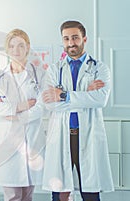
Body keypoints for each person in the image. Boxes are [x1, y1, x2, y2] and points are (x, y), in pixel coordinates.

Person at [42, 20, 114, 201]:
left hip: (87, 134)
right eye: (66, 39)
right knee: (60, 192)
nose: (71, 43)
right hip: (61, 136)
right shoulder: (53, 70)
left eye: (75, 37)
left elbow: (100, 99)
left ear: (84, 39)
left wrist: (64, 95)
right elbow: (50, 104)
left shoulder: (99, 68)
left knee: (90, 192)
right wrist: (84, 96)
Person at [0, 29, 46, 201]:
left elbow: (43, 105)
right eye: (12, 46)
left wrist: (18, 115)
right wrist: (20, 106)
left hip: (32, 138)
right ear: (7, 49)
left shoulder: (40, 74)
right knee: (12, 195)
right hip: (8, 142)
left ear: (27, 48)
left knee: (28, 195)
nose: (16, 50)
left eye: (21, 45)